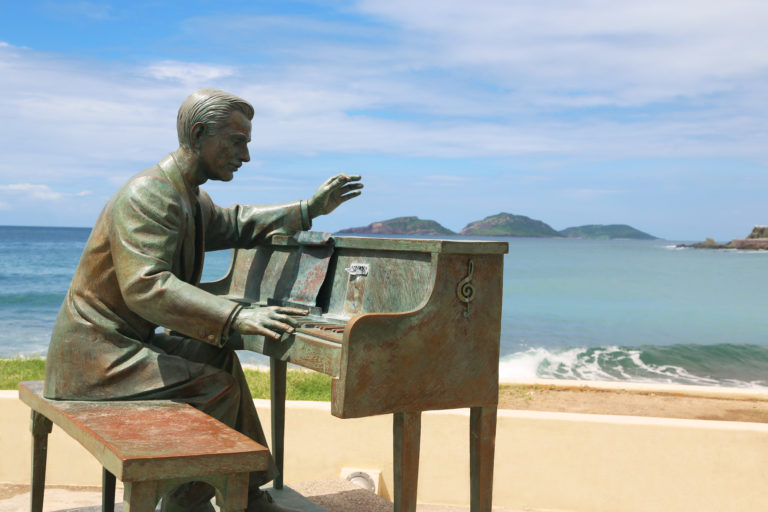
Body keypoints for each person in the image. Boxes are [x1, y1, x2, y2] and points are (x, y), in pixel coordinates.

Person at [44, 89, 363, 512]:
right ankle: (186, 500)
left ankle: (245, 492)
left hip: (118, 345)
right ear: (198, 134)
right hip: (93, 358)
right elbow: (147, 286)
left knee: (217, 359)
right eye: (237, 141)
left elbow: (236, 223)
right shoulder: (150, 194)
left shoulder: (188, 195)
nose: (245, 156)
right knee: (215, 387)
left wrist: (307, 209)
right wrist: (237, 315)